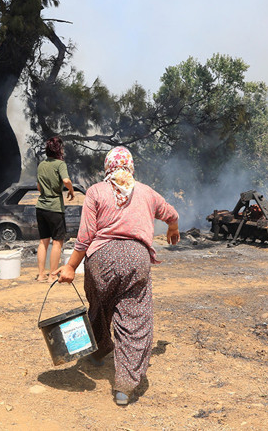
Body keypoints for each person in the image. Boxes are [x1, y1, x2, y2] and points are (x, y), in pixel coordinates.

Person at [55, 146, 180, 406]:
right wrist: (173, 227)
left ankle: (100, 348)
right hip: (137, 259)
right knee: (134, 320)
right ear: (131, 167)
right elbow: (172, 213)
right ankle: (124, 386)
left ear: (107, 167)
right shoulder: (146, 192)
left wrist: (69, 267)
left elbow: (85, 237)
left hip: (101, 260)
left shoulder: (96, 192)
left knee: (99, 305)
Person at [35, 136, 75, 282]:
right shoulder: (60, 164)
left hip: (40, 207)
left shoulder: (41, 165)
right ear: (59, 149)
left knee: (43, 241)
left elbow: (39, 186)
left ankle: (41, 275)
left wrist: (45, 191)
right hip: (55, 208)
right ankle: (52, 275)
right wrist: (71, 190)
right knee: (57, 242)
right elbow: (66, 180)